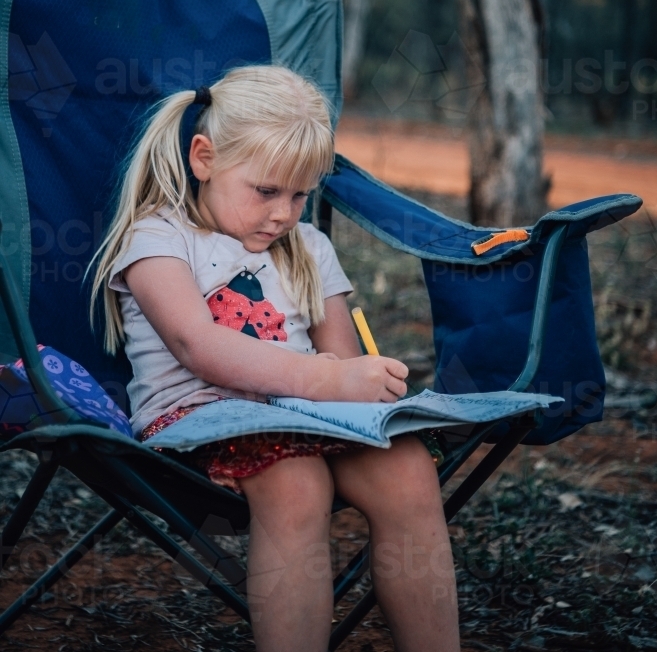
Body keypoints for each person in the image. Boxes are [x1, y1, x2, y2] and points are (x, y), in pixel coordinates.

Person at [90, 64, 460, 652]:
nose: (283, 214)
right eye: (266, 191)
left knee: (408, 471)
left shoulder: (308, 248)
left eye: (300, 195)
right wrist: (330, 377)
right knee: (296, 483)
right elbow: (199, 346)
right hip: (198, 421)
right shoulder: (157, 238)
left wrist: (361, 380)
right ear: (204, 158)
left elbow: (339, 357)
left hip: (304, 415)